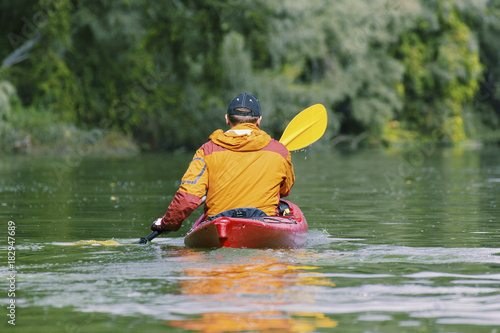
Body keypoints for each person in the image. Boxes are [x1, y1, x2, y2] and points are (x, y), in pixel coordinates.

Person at [151, 93, 295, 233]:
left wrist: (167, 223)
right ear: (259, 120)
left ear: (227, 119)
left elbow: (188, 197)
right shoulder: (280, 152)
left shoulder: (206, 150)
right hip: (264, 224)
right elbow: (285, 190)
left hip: (219, 226)